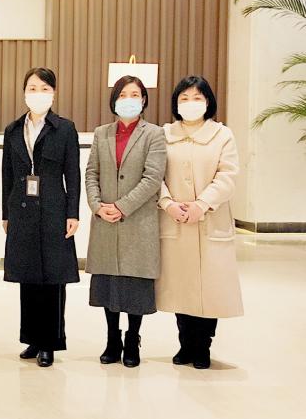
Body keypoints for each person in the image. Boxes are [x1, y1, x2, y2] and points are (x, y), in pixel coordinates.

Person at [156, 76, 243, 369]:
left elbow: (228, 175)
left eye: (197, 98)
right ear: (175, 103)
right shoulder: (164, 135)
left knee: (209, 288)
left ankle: (203, 346)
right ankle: (185, 344)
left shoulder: (222, 135)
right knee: (180, 286)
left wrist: (202, 204)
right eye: (184, 98)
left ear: (208, 102)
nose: (190, 103)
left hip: (209, 221)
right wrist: (167, 203)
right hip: (175, 221)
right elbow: (154, 174)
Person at [85, 75, 167, 368]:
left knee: (134, 284)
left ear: (143, 100)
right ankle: (112, 339)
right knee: (108, 284)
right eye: (123, 94)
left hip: (138, 220)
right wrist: (97, 206)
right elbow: (91, 173)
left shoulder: (154, 134)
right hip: (105, 220)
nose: (128, 99)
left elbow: (153, 178)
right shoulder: (102, 133)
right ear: (114, 99)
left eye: (135, 94)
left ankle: (132, 338)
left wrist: (122, 206)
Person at [1, 68, 81, 367]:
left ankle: (49, 342)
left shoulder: (65, 129)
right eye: (32, 88)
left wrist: (73, 213)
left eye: (44, 88)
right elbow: (7, 174)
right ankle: (32, 339)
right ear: (24, 92)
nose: (38, 93)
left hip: (53, 210)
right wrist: (7, 213)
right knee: (28, 276)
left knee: (52, 278)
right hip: (22, 210)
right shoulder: (13, 130)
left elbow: (73, 174)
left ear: (53, 93)